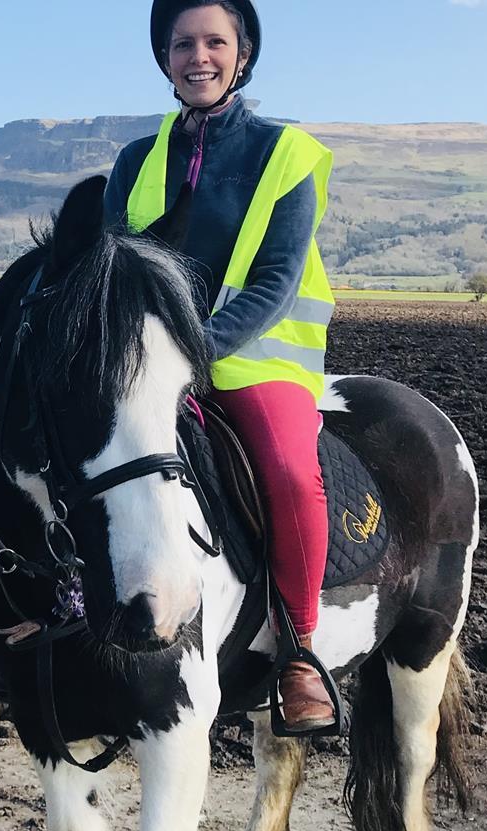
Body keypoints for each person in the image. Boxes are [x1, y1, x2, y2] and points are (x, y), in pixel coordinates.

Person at [102, 0, 338, 731]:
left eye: (214, 42)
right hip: (151, 365)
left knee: (291, 473)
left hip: (255, 363)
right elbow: (107, 270)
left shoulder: (288, 152)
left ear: (242, 54)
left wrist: (194, 349)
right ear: (164, 58)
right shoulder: (136, 161)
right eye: (181, 44)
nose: (196, 56)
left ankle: (301, 652)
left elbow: (275, 280)